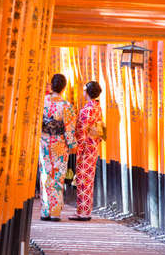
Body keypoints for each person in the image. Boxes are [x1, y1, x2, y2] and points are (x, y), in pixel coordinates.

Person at [39, 74, 77, 221]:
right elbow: (69, 128)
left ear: (51, 86)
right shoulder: (66, 106)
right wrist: (72, 144)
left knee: (45, 174)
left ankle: (45, 211)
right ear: (63, 87)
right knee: (58, 176)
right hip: (59, 145)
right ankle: (55, 212)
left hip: (44, 142)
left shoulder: (42, 102)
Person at [69, 81, 103, 221]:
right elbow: (101, 130)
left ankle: (82, 212)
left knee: (82, 180)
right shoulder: (98, 108)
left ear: (87, 92)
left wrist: (79, 148)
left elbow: (81, 132)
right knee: (89, 180)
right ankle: (86, 211)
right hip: (94, 146)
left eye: (84, 90)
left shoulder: (86, 110)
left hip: (85, 149)